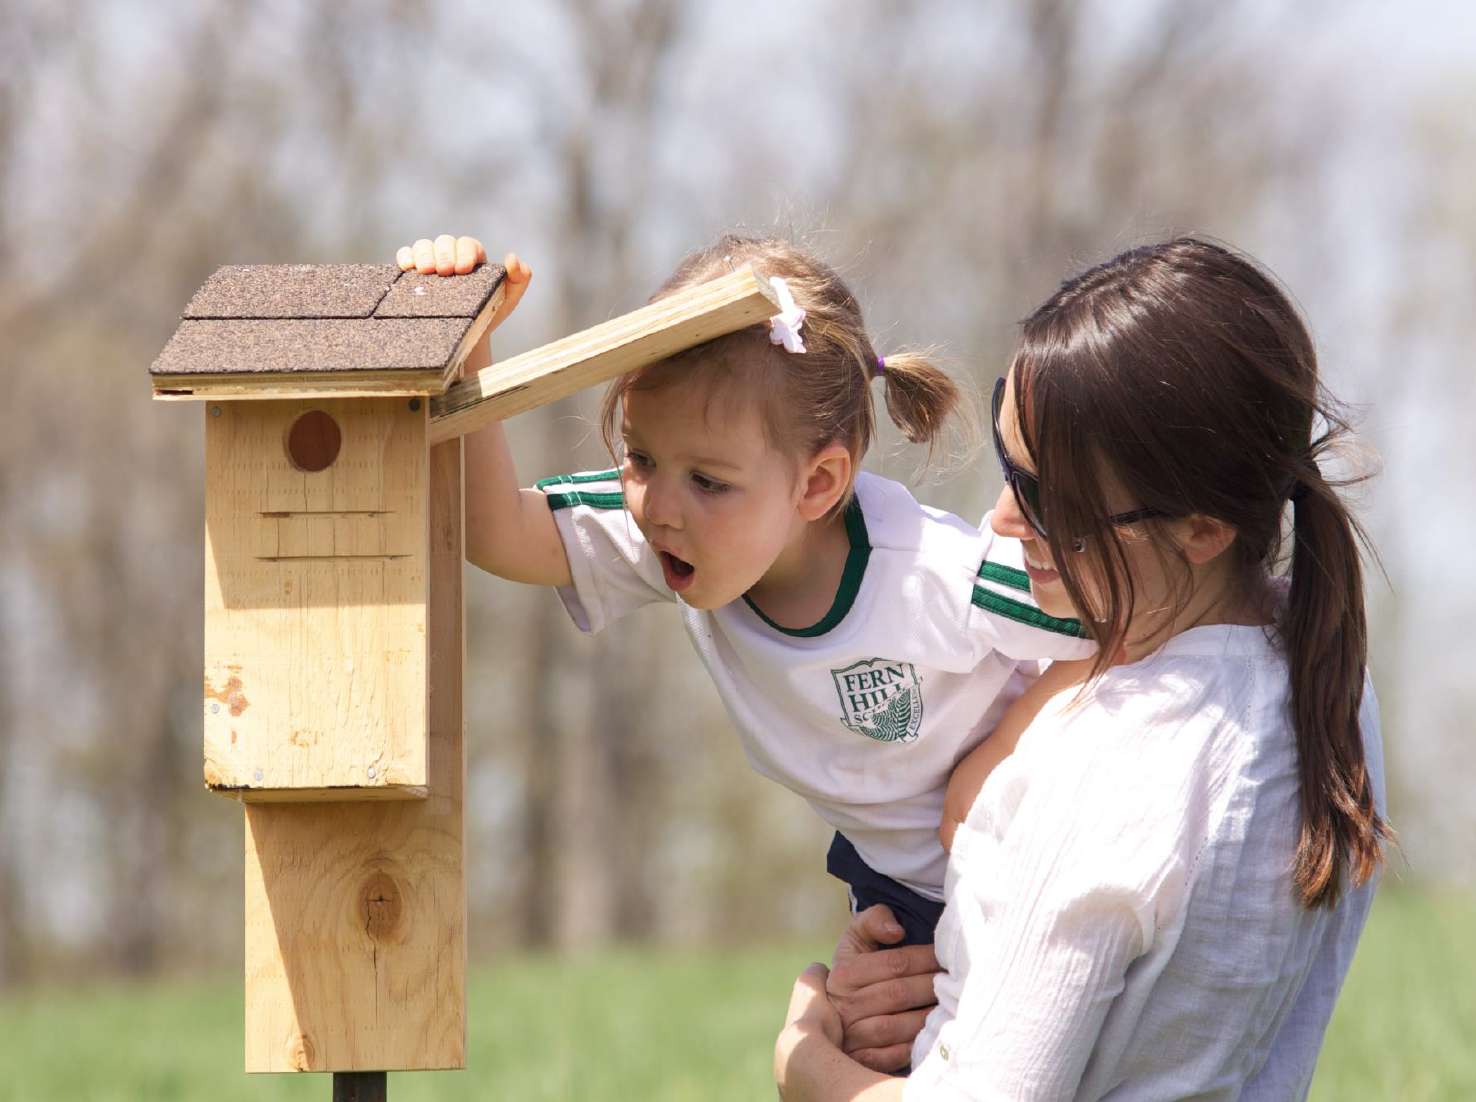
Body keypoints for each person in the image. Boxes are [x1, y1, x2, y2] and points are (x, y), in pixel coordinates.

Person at [775, 236, 1389, 1100]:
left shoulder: (1113, 773)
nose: (997, 520)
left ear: (1202, 528)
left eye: (1047, 499)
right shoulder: (1320, 671)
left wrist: (806, 1061)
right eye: (1009, 468)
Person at [396, 232, 1093, 946]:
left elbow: (1131, 621)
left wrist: (1000, 750)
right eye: (639, 457)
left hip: (1028, 867)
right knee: (870, 1044)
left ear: (817, 484)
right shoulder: (678, 526)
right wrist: (463, 342)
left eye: (707, 481)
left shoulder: (934, 572)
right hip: (896, 890)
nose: (658, 505)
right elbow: (498, 530)